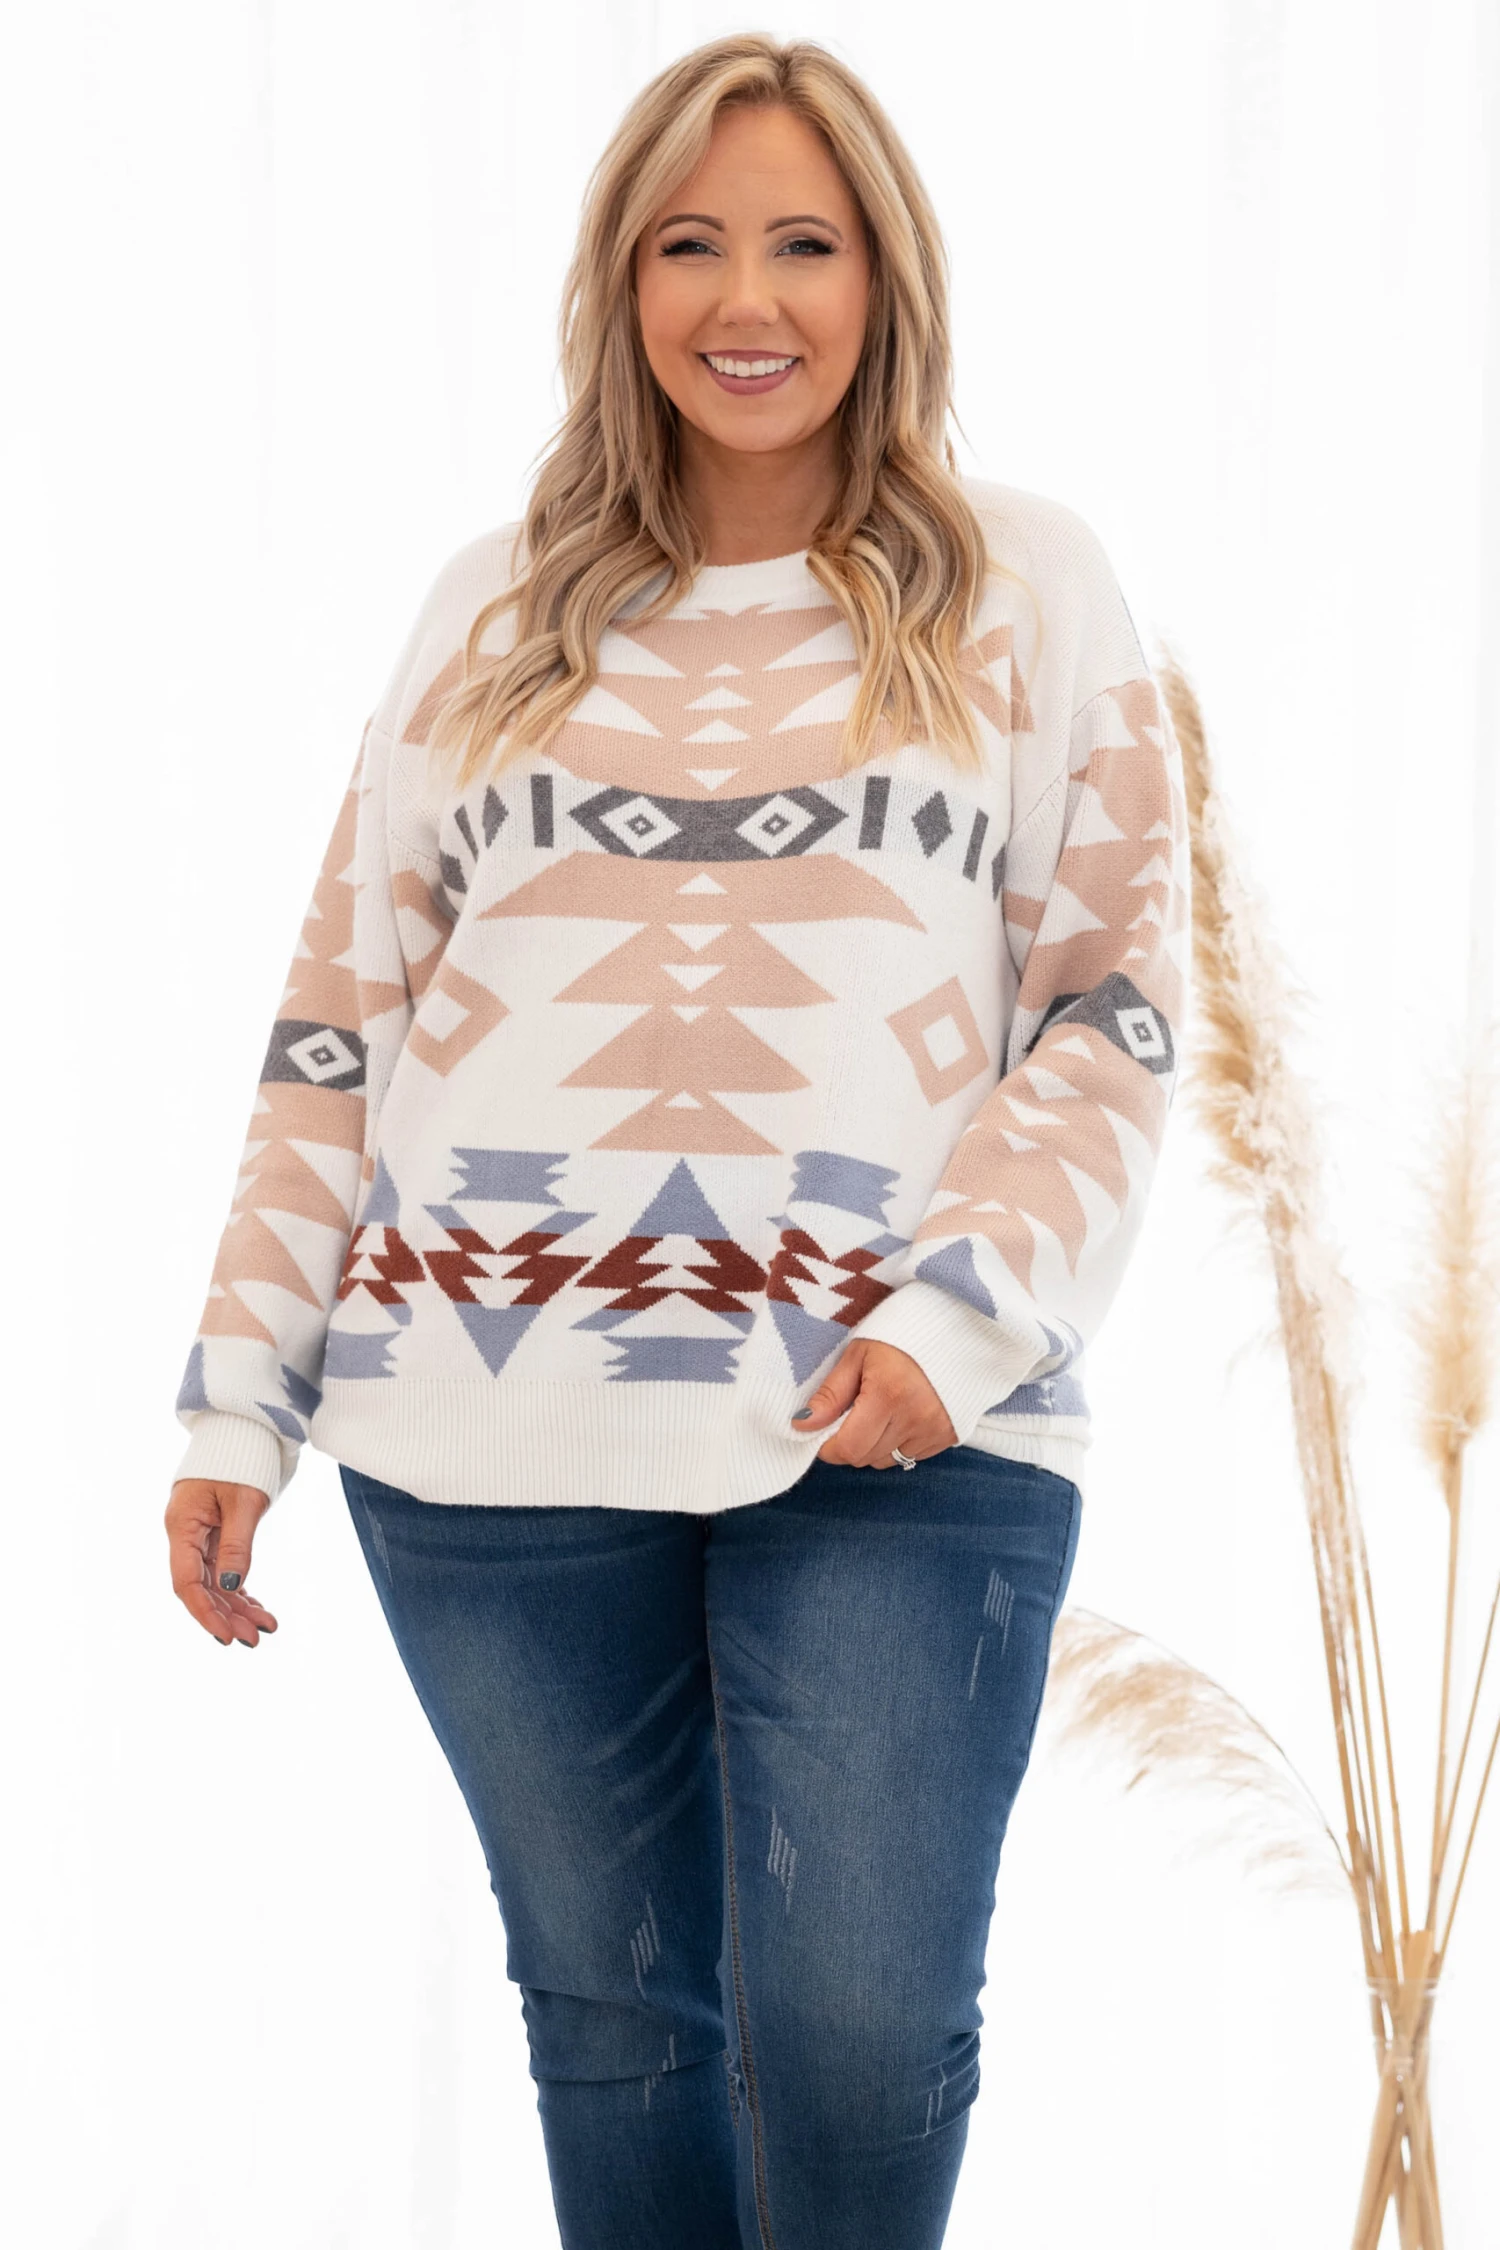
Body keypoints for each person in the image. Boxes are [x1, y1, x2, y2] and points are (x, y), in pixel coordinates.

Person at [164, 32, 1188, 2250]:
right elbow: (341, 1023)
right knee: (617, 2028)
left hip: (894, 1428)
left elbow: (1109, 1009)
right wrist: (240, 1392)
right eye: (688, 244)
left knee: (858, 2038)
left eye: (804, 243)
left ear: (885, 275)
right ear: (619, 283)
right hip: (483, 1429)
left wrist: (957, 1324)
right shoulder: (495, 606)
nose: (747, 298)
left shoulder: (1025, 586)